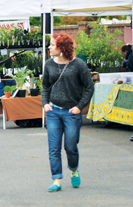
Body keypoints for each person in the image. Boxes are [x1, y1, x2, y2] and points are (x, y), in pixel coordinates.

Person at [42, 33, 94, 192]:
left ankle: (73, 169)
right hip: (53, 111)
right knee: (53, 148)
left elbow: (89, 87)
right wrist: (45, 104)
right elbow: (45, 87)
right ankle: (56, 179)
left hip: (72, 113)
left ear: (62, 48)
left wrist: (79, 106)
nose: (49, 47)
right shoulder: (49, 64)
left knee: (71, 146)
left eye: (52, 45)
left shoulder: (78, 65)